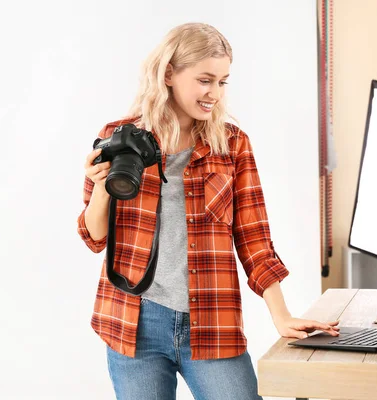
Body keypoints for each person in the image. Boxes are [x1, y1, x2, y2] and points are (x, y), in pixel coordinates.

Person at [78, 22, 340, 400]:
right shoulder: (120, 135)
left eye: (222, 81)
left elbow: (253, 236)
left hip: (212, 321)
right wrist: (102, 187)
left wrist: (281, 315)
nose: (214, 93)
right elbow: (94, 236)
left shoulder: (232, 145)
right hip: (132, 322)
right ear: (169, 73)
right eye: (205, 80)